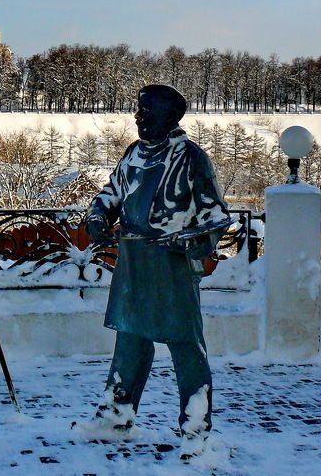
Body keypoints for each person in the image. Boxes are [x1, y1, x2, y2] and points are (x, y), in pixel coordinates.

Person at [80, 84, 232, 459]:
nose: (137, 117)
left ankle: (196, 432)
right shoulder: (133, 154)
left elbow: (215, 216)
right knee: (130, 341)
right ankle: (115, 416)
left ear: (168, 117)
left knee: (185, 347)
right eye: (138, 111)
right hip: (133, 262)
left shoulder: (192, 158)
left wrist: (194, 241)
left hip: (171, 265)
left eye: (145, 112)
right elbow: (111, 192)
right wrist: (98, 214)